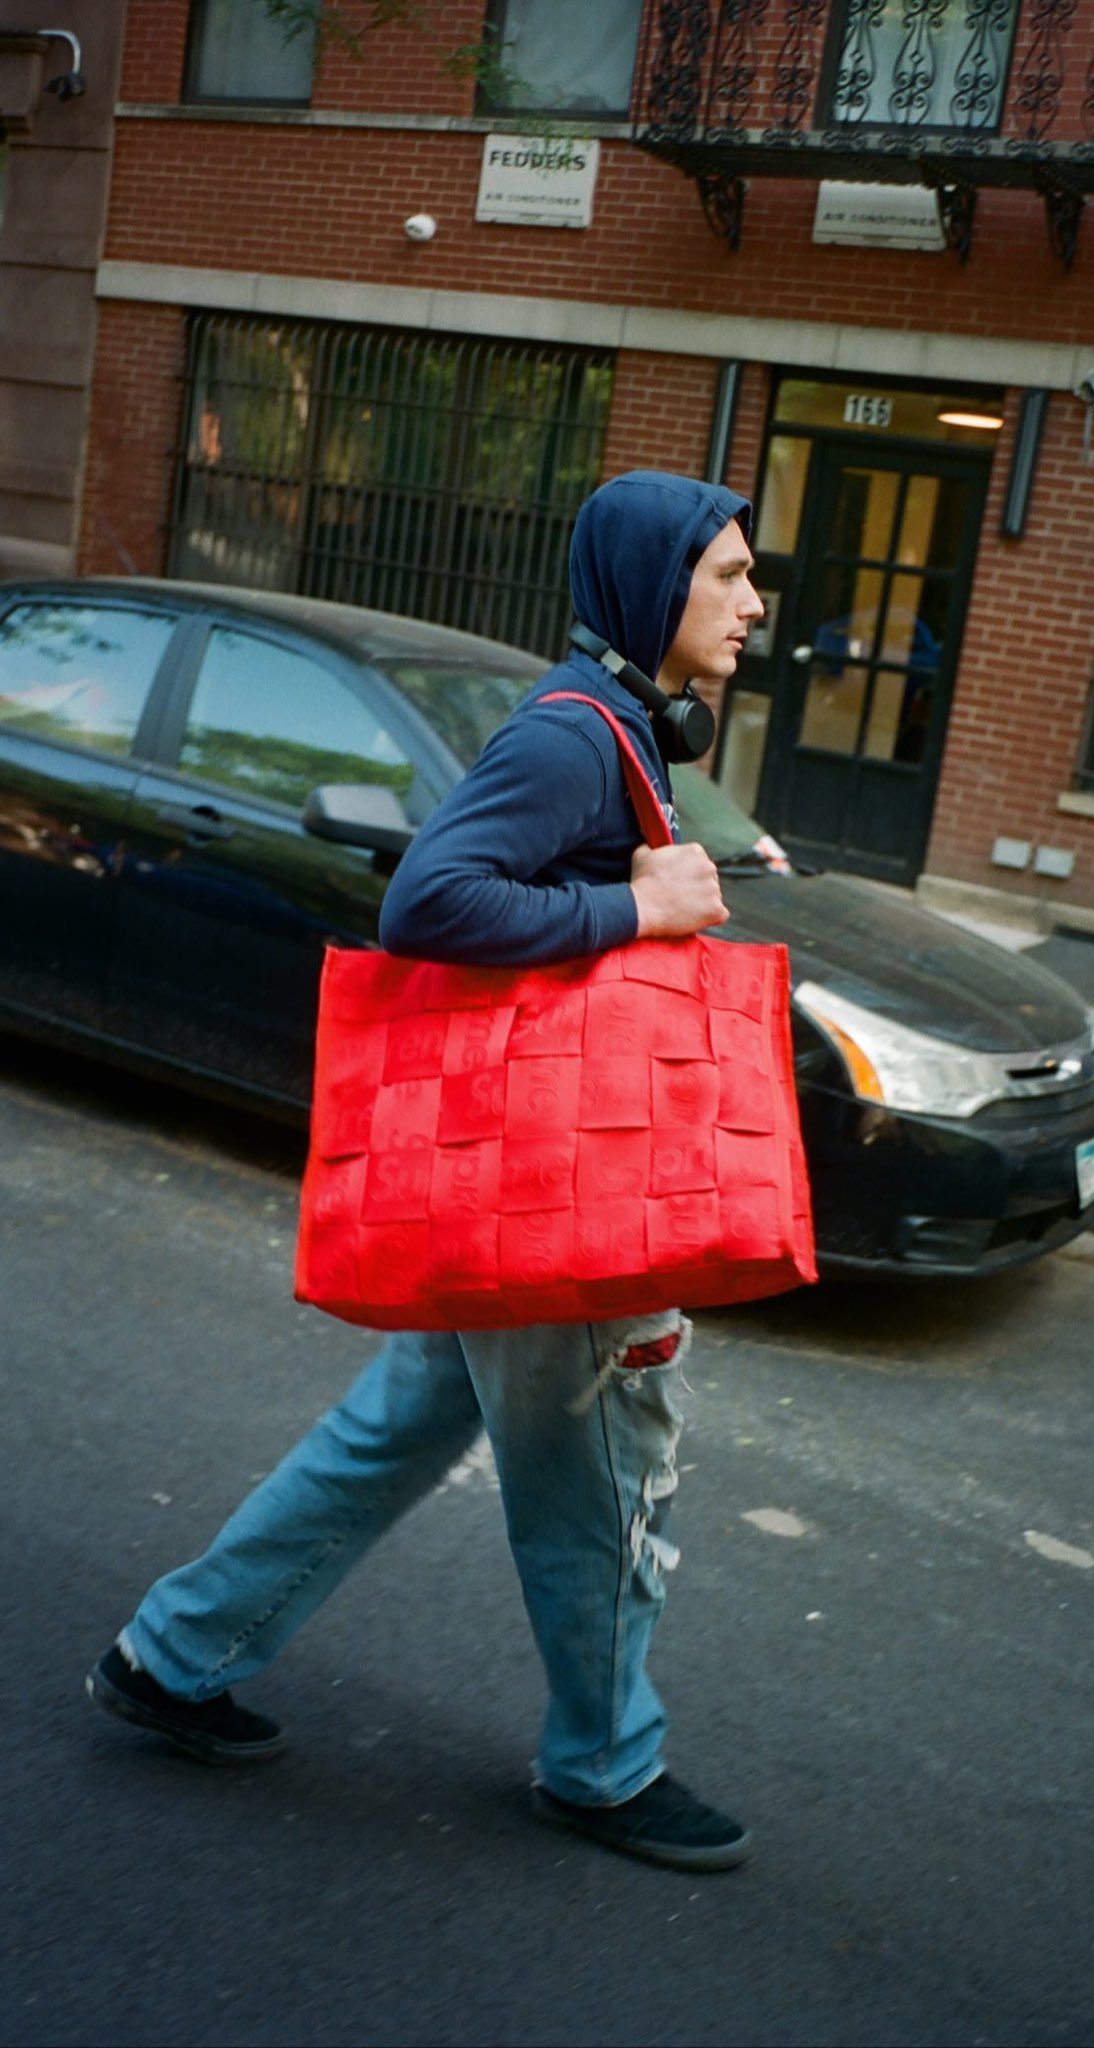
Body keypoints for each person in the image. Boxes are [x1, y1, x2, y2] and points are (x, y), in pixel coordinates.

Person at [86, 470, 766, 1873]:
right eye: (730, 575)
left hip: (523, 1188)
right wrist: (639, 902)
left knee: (387, 1436)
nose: (756, 603)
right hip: (562, 1190)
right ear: (654, 588)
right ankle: (604, 1765)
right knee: (602, 1485)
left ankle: (172, 1655)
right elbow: (428, 898)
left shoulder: (617, 728)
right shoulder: (577, 736)